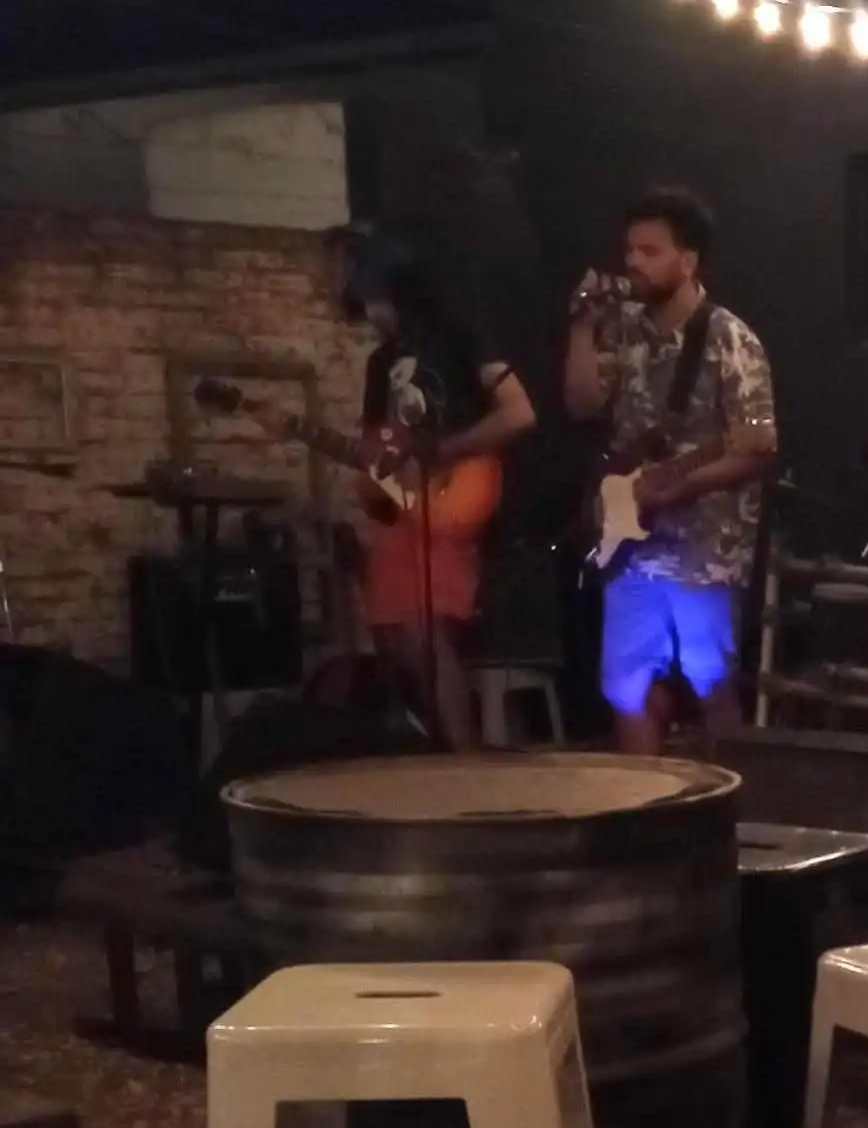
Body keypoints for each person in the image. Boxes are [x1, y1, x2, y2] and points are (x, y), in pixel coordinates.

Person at [564, 186, 778, 750]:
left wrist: (679, 489)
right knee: (625, 686)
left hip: (704, 551)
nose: (633, 262)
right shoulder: (624, 328)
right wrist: (582, 328)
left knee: (711, 684)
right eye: (629, 250)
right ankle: (646, 798)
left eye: (650, 251)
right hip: (631, 547)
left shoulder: (729, 338)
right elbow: (581, 405)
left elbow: (756, 445)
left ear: (688, 261)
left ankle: (729, 792)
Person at [331, 231, 535, 750]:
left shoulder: (458, 337)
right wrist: (372, 478)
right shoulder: (380, 364)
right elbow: (380, 447)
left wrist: (445, 451)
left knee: (424, 629)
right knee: (392, 629)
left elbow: (518, 413)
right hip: (409, 508)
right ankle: (437, 746)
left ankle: (461, 758)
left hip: (460, 490)